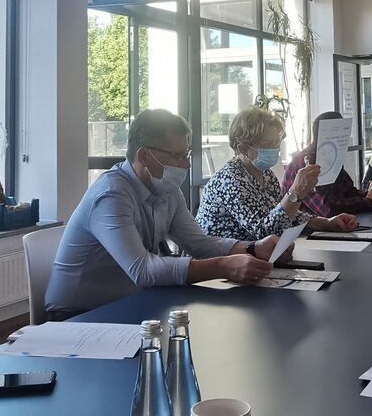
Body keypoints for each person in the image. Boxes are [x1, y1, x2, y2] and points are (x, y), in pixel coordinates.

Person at [45, 109, 285, 318]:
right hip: (80, 316)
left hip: (132, 301)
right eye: (177, 156)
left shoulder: (166, 190)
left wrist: (253, 248)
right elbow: (143, 270)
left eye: (186, 154)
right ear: (144, 156)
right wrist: (224, 266)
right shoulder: (111, 196)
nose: (186, 164)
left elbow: (199, 243)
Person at [196, 106, 356, 240]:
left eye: (276, 143)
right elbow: (263, 232)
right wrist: (295, 193)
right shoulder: (230, 180)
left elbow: (285, 215)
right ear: (243, 148)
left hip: (250, 256)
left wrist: (327, 223)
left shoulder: (265, 174)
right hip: (218, 261)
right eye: (268, 144)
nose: (275, 149)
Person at [282, 111, 372, 217]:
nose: (345, 139)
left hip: (335, 223)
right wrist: (368, 201)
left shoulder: (329, 156)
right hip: (309, 226)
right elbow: (328, 209)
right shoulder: (306, 163)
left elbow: (349, 192)